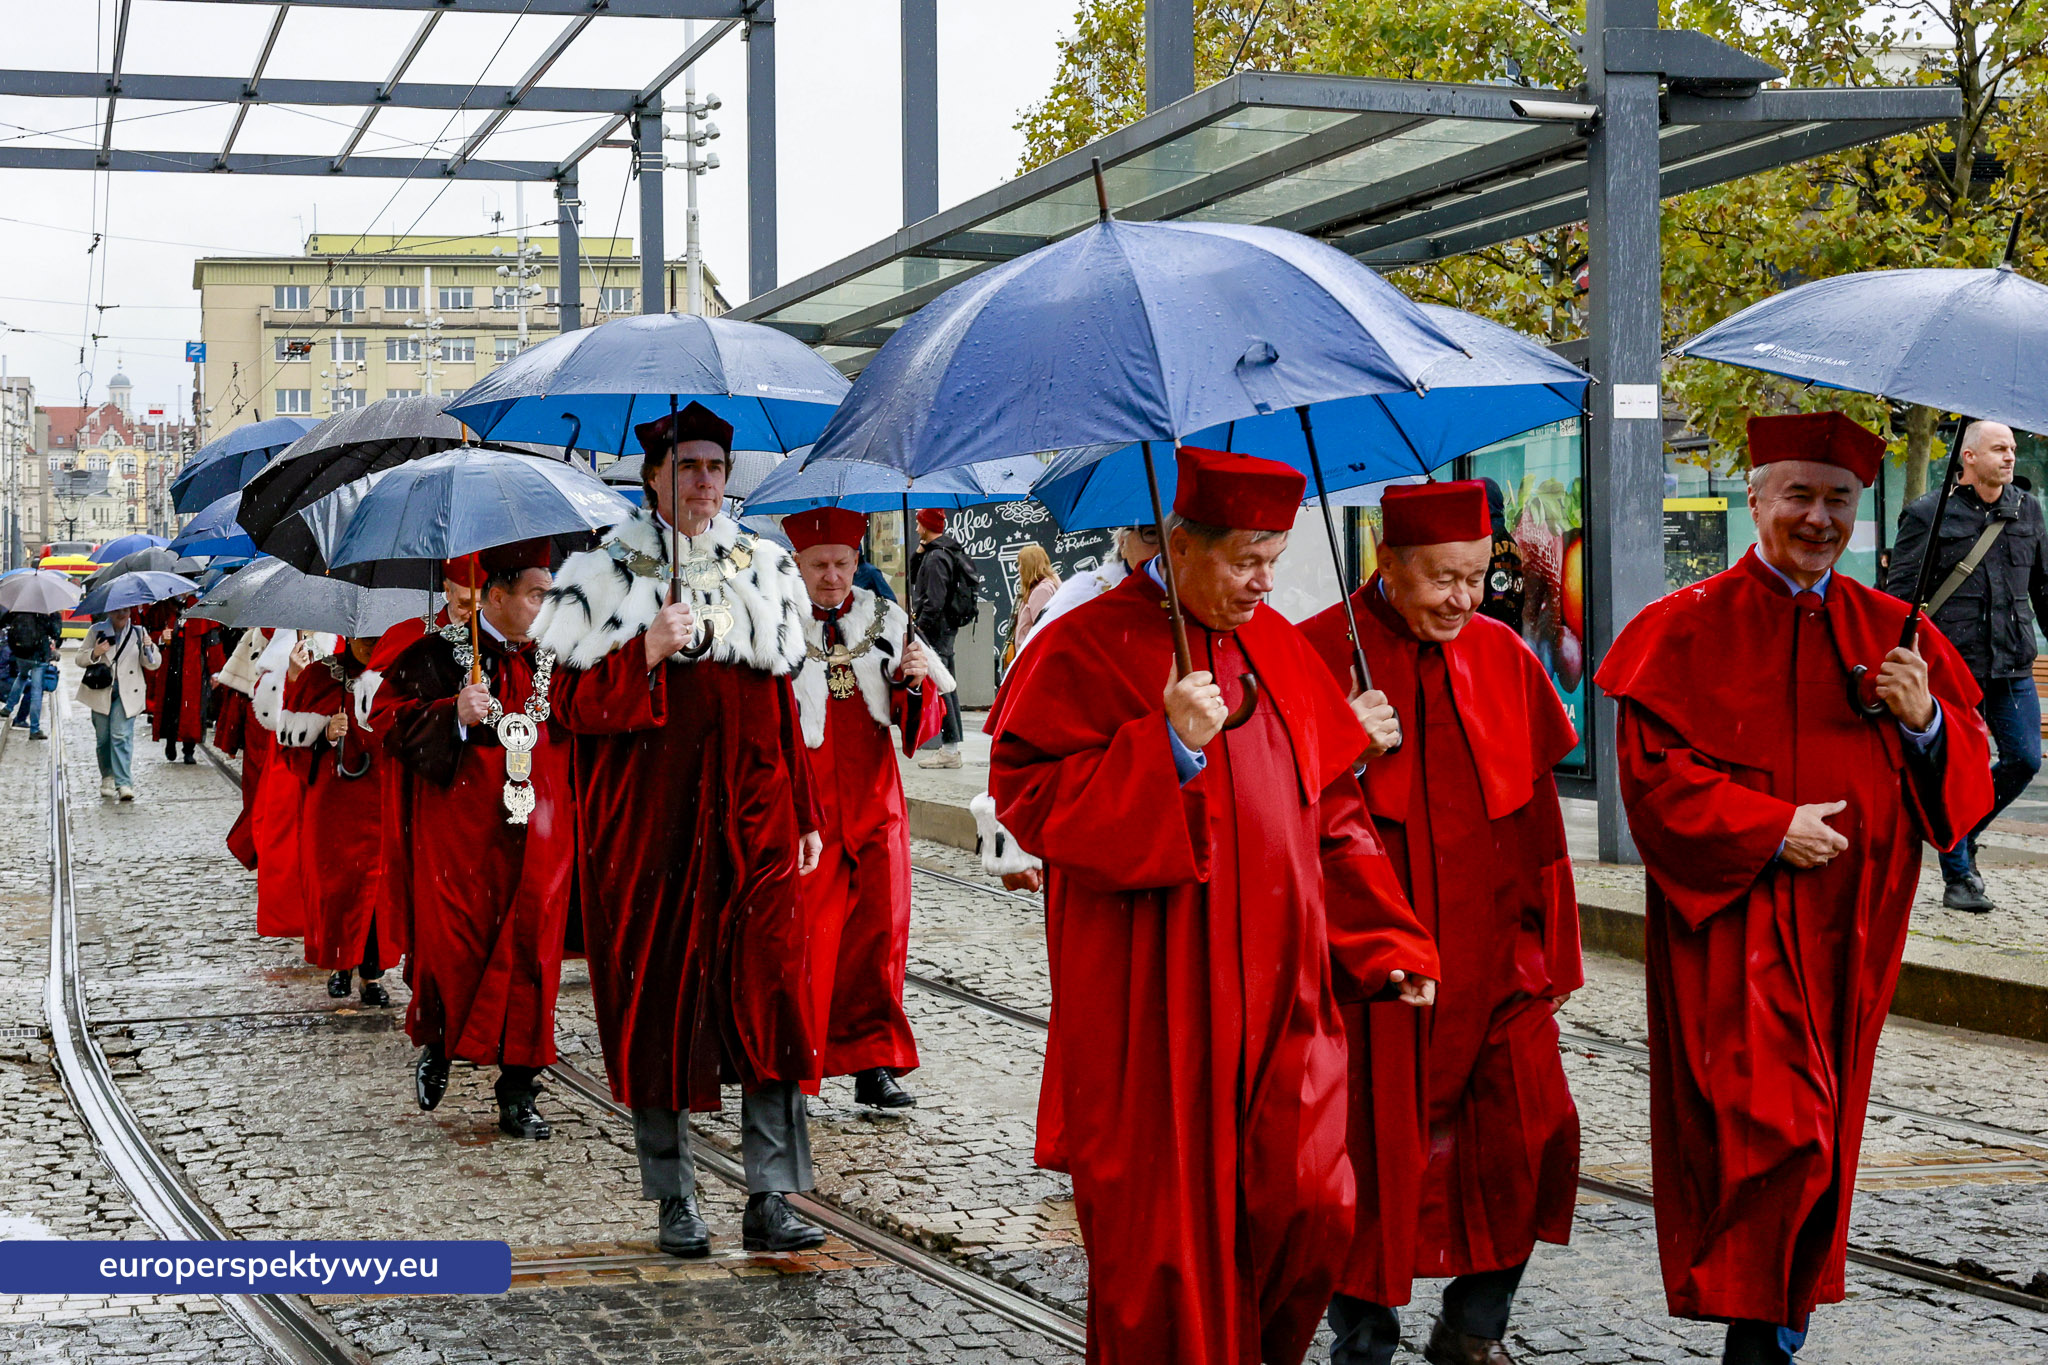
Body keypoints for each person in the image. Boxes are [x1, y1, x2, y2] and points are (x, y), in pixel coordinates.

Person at [987, 446, 1440, 1365]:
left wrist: (1386, 939)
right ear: (1180, 545)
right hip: (1156, 1008)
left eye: (1274, 558)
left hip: (1283, 999)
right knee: (1168, 1249)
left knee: (1310, 1199)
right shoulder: (1083, 643)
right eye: (1245, 560)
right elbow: (1028, 795)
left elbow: (1330, 814)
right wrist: (1165, 748)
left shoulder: (1279, 648)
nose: (1263, 582)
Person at [1596, 412, 1993, 1365]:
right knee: (1779, 1129)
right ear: (1755, 498)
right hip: (1732, 931)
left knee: (1819, 1130)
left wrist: (1925, 718)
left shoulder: (1896, 636)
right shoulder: (1683, 626)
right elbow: (1653, 780)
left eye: (1839, 500)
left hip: (1851, 933)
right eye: (1799, 495)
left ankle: (1770, 1325)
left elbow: (1968, 782)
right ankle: (1761, 1333)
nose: (1819, 518)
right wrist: (1768, 827)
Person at [533, 401, 829, 1258]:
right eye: (689, 466)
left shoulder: (766, 567)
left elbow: (783, 700)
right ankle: (674, 1196)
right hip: (653, 832)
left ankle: (771, 1193)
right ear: (654, 475)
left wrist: (805, 807)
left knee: (771, 995)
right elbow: (567, 708)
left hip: (755, 820)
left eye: (716, 467)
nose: (705, 482)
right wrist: (645, 653)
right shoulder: (599, 574)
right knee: (659, 1002)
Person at [1300, 480, 1582, 1365]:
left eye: (1475, 576)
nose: (1464, 599)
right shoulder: (1312, 652)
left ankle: (1472, 1326)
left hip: (1497, 965)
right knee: (1364, 1159)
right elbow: (1265, 815)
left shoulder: (1503, 654)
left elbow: (1539, 825)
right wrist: (1335, 744)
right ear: (1387, 561)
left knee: (1533, 1133)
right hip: (1371, 974)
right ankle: (1363, 1337)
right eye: (1441, 579)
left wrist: (1555, 954)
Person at [382, 539, 569, 1141]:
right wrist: (449, 714)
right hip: (460, 837)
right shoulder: (435, 653)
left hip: (540, 832)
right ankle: (439, 1043)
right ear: (496, 595)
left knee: (532, 953)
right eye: (537, 595)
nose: (546, 606)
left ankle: (519, 1091)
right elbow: (387, 722)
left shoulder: (562, 652)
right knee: (455, 947)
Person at [786, 507, 951, 1111]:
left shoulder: (888, 619)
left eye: (841, 563)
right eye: (819, 565)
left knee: (879, 934)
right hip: (807, 806)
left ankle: (871, 1061)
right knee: (806, 936)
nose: (832, 576)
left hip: (874, 800)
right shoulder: (774, 623)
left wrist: (913, 681)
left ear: (857, 561)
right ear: (798, 564)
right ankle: (793, 1068)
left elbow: (920, 724)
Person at [1884, 419, 2048, 912]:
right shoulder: (1927, 514)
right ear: (1968, 456)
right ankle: (1959, 878)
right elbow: (1900, 595)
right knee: (1958, 770)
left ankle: (1963, 830)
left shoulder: (2028, 510)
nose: (2010, 456)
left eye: (2012, 448)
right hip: (1952, 667)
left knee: (2025, 759)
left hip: (2012, 661)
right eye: (1999, 448)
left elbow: (2043, 588)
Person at [276, 634, 391, 1007]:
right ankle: (340, 964)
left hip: (384, 800)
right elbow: (288, 743)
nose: (370, 645)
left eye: (378, 638)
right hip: (333, 802)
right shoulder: (319, 676)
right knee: (337, 887)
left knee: (380, 892)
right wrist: (323, 733)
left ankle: (372, 974)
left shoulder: (400, 675)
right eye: (364, 639)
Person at [250, 630, 318, 941]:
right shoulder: (283, 638)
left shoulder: (344, 638)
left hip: (330, 748)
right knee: (284, 835)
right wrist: (292, 678)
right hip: (289, 750)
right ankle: (295, 915)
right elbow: (269, 710)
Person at [909, 508, 978, 769]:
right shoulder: (941, 552)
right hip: (944, 628)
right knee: (946, 684)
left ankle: (949, 749)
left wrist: (921, 628)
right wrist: (919, 552)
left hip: (936, 631)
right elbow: (913, 574)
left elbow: (934, 600)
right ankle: (950, 747)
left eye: (919, 524)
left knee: (942, 686)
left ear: (927, 525)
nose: (917, 529)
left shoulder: (937, 557)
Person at [77, 607, 162, 801]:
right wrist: (95, 653)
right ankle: (107, 776)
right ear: (109, 612)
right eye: (117, 611)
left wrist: (149, 648)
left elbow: (153, 664)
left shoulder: (139, 632)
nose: (121, 614)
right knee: (103, 739)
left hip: (128, 692)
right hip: (101, 690)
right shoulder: (96, 630)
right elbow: (80, 659)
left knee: (121, 735)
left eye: (125, 610)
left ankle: (124, 783)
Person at [1028, 523, 1162, 645]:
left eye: (1171, 533)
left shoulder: (1167, 600)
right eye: (1152, 533)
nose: (1165, 548)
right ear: (1122, 543)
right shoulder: (1082, 599)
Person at [154, 598, 224, 764]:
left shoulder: (201, 609)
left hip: (194, 668)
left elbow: (212, 641)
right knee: (171, 707)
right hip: (171, 666)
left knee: (192, 708)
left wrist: (216, 670)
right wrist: (161, 639)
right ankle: (170, 741)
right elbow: (151, 634)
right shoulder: (164, 609)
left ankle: (189, 749)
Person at [6, 608, 60, 739]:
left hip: (21, 654)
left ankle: (8, 708)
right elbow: (56, 633)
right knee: (36, 691)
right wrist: (52, 617)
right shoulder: (47, 611)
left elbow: (5, 622)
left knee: (22, 677)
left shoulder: (20, 607)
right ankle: (34, 729)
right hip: (38, 657)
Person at [1009, 543, 1061, 657]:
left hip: (1033, 656)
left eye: (1020, 564)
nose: (1018, 568)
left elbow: (1043, 630)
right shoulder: (1048, 585)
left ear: (1029, 566)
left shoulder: (1041, 591)